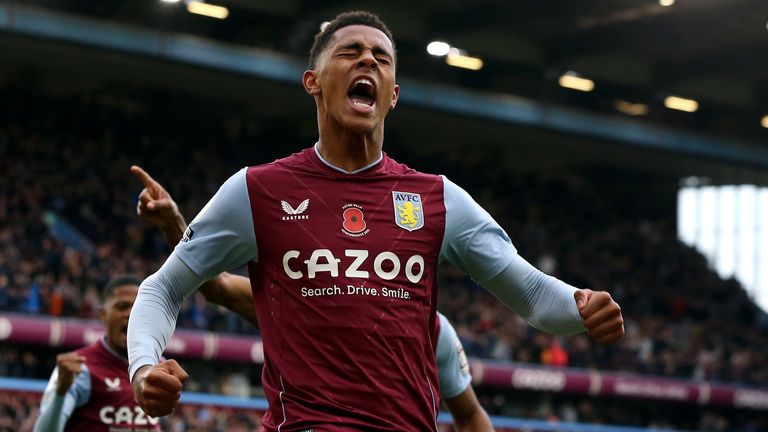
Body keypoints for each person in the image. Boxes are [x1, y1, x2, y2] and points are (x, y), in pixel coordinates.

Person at [127, 10, 624, 431]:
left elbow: (534, 296)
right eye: (350, 52)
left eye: (381, 58)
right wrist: (144, 369)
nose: (367, 59)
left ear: (392, 95)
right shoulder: (257, 191)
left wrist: (579, 306)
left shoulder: (439, 198)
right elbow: (163, 289)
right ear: (313, 82)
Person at [131, 165, 495, 431]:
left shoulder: (434, 333)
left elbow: (469, 414)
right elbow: (216, 286)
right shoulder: (299, 301)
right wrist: (174, 225)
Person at [34, 276, 161, 432]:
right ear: (103, 314)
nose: (130, 314)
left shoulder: (158, 365)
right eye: (122, 306)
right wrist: (60, 392)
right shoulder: (80, 368)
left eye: (137, 308)